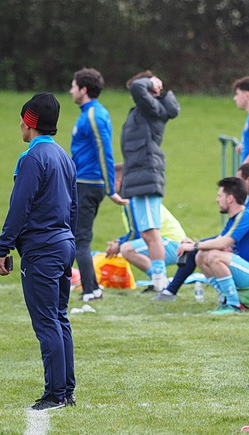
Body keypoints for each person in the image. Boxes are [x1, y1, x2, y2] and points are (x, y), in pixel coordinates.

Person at [0, 93, 77, 410]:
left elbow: (19, 207)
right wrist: (71, 242)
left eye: (22, 119)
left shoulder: (31, 158)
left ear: (29, 121)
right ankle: (66, 390)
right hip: (64, 244)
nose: (20, 124)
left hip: (41, 249)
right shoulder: (64, 157)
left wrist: (3, 247)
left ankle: (56, 394)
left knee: (46, 323)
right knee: (59, 318)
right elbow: (74, 209)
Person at [176, 177, 249, 314]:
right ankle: (224, 298)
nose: (217, 200)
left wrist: (194, 245)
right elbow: (218, 242)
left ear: (230, 199)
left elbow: (223, 243)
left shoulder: (246, 215)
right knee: (201, 256)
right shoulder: (234, 219)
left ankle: (233, 304)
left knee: (214, 256)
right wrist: (194, 244)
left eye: (220, 196)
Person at [69, 67, 128, 302]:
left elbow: (105, 151)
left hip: (88, 184)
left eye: (73, 86)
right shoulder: (88, 113)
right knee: (77, 237)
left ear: (84, 89)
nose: (70, 90)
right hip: (82, 182)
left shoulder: (94, 115)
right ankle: (89, 287)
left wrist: (110, 189)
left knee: (80, 239)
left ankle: (91, 290)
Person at [120, 70, 180, 293]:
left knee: (152, 233)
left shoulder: (151, 107)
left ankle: (160, 283)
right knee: (147, 233)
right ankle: (159, 282)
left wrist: (150, 82)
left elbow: (137, 88)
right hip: (140, 174)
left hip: (146, 173)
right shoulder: (147, 108)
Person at [104, 164, 187, 288]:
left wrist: (120, 244)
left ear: (119, 181)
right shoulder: (132, 199)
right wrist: (119, 242)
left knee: (127, 249)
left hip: (174, 245)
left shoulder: (131, 201)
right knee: (126, 247)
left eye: (110, 182)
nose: (108, 187)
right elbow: (138, 233)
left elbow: (137, 234)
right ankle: (160, 282)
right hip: (169, 242)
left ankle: (160, 282)